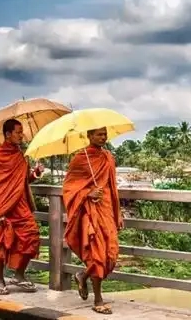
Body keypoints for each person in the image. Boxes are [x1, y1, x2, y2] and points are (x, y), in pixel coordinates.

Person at [62, 127, 124, 315]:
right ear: (89, 136)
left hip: (106, 210)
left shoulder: (108, 157)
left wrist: (118, 213)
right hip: (90, 212)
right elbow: (69, 187)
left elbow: (113, 188)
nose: (103, 137)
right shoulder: (81, 159)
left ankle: (82, 275)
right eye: (99, 134)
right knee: (97, 254)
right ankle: (98, 300)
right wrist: (88, 193)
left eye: (105, 134)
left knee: (110, 255)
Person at [0, 119, 44, 295]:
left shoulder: (21, 155)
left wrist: (35, 173)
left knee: (32, 237)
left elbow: (23, 180)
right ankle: (0, 280)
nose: (21, 135)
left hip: (21, 206)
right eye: (18, 132)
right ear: (8, 134)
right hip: (3, 208)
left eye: (22, 132)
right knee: (2, 244)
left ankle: (19, 275)